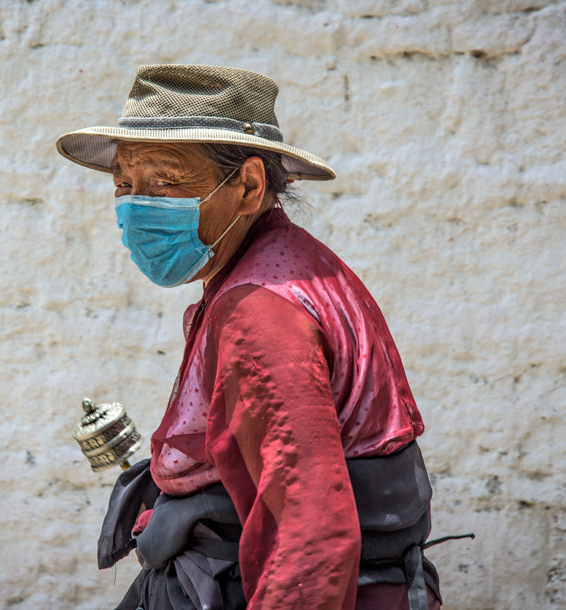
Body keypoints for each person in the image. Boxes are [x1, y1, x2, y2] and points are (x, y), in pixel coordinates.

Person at [57, 65, 442, 609]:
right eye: (124, 183)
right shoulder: (282, 267)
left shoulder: (260, 310)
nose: (137, 204)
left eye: (165, 181)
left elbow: (309, 538)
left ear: (249, 186)